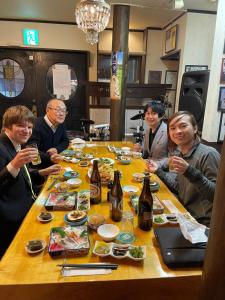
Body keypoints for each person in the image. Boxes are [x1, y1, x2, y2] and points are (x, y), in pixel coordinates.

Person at [0, 105, 61, 258]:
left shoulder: (16, 144)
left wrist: (43, 172)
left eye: (29, 127)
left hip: (28, 204)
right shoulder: (1, 148)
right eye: (20, 125)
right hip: (12, 220)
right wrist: (14, 164)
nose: (26, 131)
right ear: (7, 126)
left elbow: (24, 174)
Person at [146, 111, 220, 227]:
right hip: (184, 214)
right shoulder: (180, 154)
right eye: (173, 128)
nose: (177, 131)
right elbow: (180, 189)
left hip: (202, 225)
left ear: (195, 129)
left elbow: (217, 196)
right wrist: (158, 171)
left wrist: (190, 172)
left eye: (183, 126)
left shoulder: (208, 154)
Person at [28, 98, 69, 167]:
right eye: (58, 110)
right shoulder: (35, 125)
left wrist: (56, 149)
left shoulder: (60, 123)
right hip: (40, 168)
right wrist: (49, 158)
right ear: (48, 110)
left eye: (64, 111)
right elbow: (31, 152)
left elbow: (65, 141)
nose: (62, 114)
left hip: (56, 163)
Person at [134, 100, 168, 166]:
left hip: (160, 171)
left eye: (154, 113)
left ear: (161, 116)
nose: (150, 117)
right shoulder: (148, 129)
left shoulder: (167, 131)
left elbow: (171, 159)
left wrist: (156, 165)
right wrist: (140, 150)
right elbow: (146, 153)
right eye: (148, 113)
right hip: (148, 167)